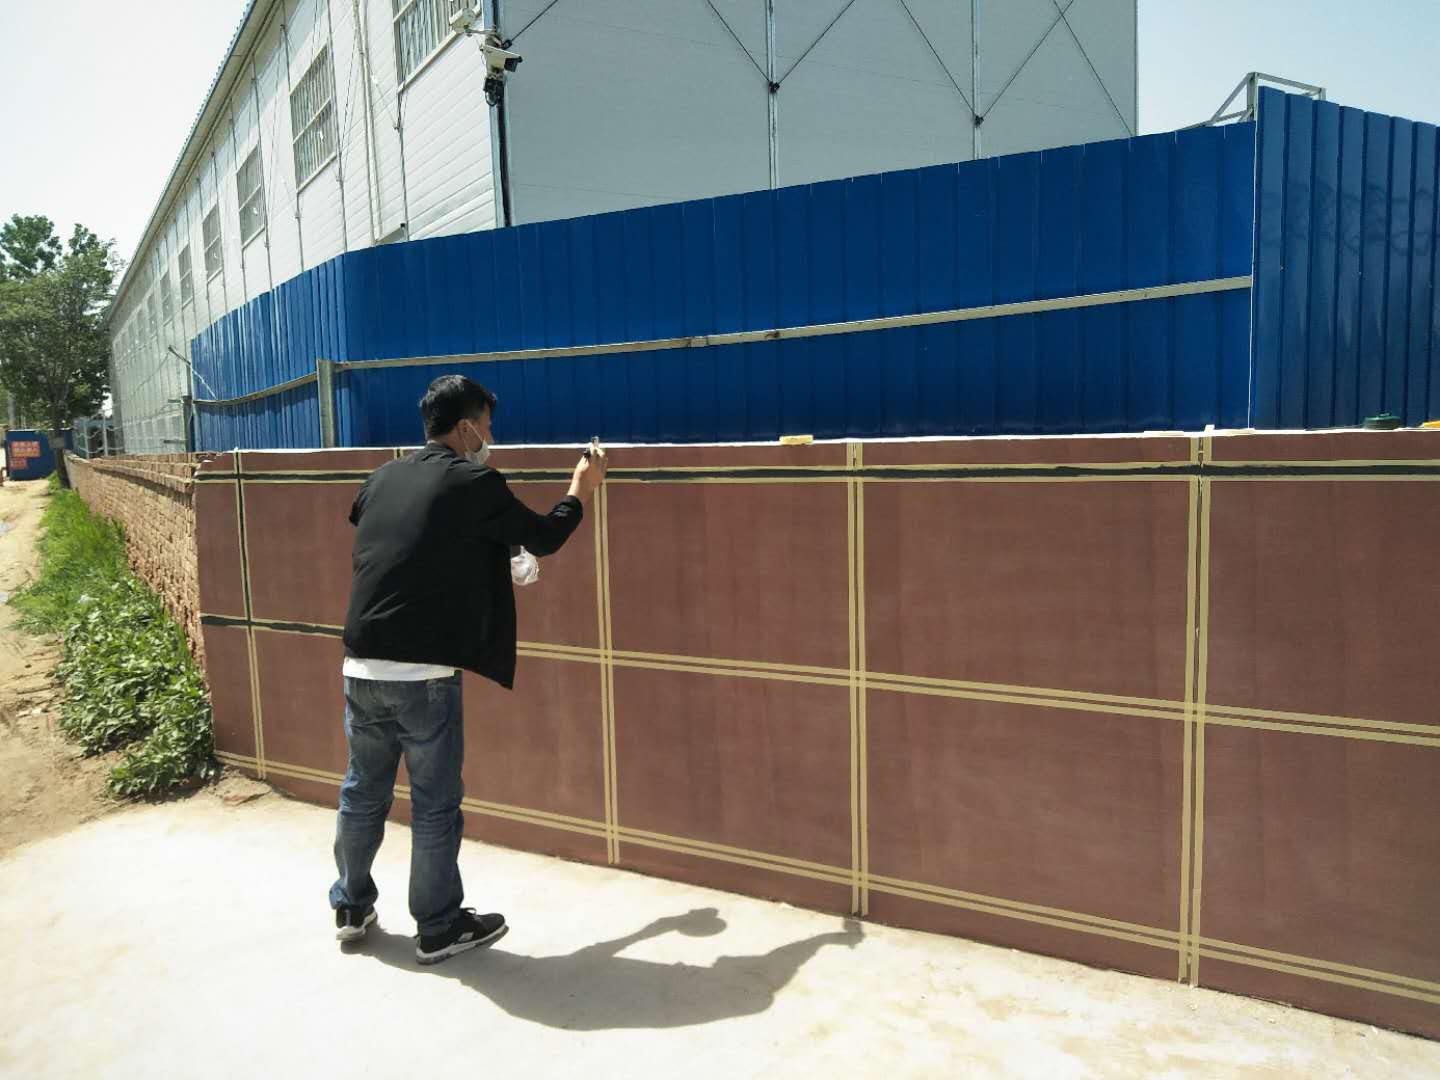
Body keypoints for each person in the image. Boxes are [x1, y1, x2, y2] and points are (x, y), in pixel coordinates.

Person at [330, 374, 608, 965]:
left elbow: (407, 543)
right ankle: (438, 927)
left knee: (362, 791)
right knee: (434, 803)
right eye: (487, 426)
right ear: (465, 428)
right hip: (423, 677)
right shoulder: (474, 480)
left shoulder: (382, 477)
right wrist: (581, 489)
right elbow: (544, 536)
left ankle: (350, 905)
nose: (490, 437)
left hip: (361, 665)